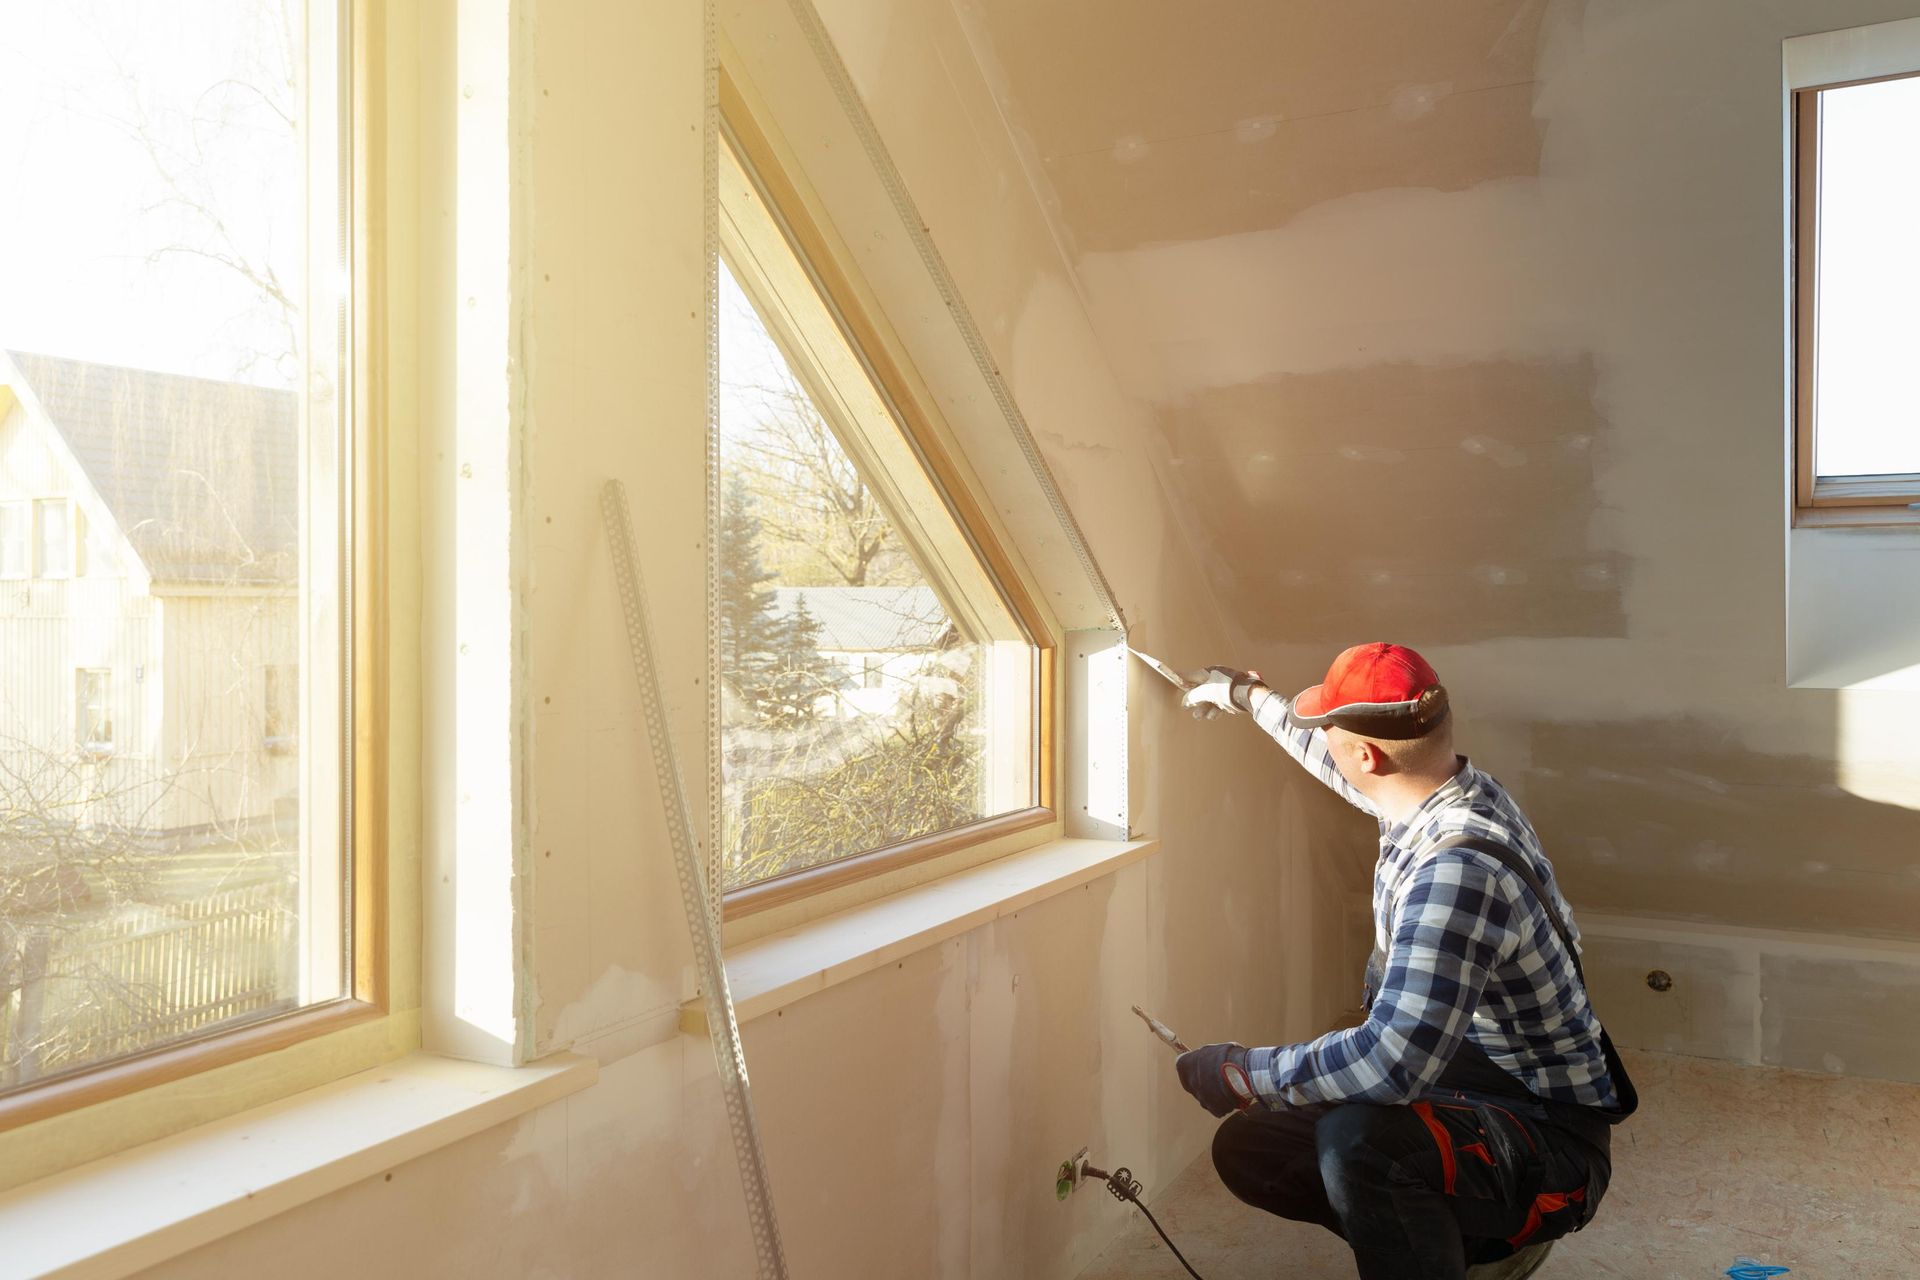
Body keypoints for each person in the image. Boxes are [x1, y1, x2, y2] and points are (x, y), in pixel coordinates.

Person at [1177, 642, 1635, 1280]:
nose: (1327, 747)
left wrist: (1240, 1071)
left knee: (1359, 1146)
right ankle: (1444, 1242)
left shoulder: (1454, 872)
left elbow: (1387, 1064)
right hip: (1467, 1078)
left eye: (1329, 732)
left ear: (1367, 754)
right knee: (1252, 1148)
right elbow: (1338, 762)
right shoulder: (1452, 793)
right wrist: (1244, 696)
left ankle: (1501, 1239)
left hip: (1548, 1135)